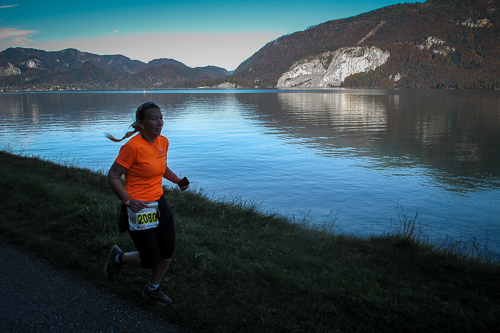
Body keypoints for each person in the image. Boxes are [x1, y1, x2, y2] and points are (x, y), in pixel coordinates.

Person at [104, 101, 189, 306]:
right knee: (150, 259)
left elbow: (161, 166)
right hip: (139, 208)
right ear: (141, 124)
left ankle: (152, 289)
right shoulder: (132, 147)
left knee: (166, 255)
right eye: (154, 118)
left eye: (161, 118)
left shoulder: (163, 141)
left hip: (160, 204)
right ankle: (118, 258)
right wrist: (127, 200)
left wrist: (177, 180)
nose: (160, 122)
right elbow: (113, 176)